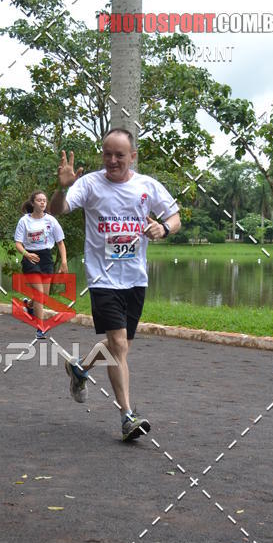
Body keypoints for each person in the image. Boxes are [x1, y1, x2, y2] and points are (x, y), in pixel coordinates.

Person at [50, 129, 181, 442]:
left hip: (135, 279)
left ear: (132, 156)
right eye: (107, 154)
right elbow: (58, 210)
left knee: (117, 348)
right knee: (119, 346)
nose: (112, 160)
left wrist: (163, 228)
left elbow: (175, 217)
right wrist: (61, 188)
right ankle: (127, 416)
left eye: (119, 155)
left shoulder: (147, 186)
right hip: (102, 278)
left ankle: (79, 368)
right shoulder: (90, 184)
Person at [14, 190, 67, 340]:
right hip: (30, 257)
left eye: (44, 200)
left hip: (46, 257)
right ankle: (40, 328)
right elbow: (18, 243)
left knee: (44, 296)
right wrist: (26, 254)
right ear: (33, 203)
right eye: (39, 200)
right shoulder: (24, 221)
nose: (42, 202)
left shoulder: (51, 220)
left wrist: (63, 262)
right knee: (39, 293)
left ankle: (29, 305)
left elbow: (60, 243)